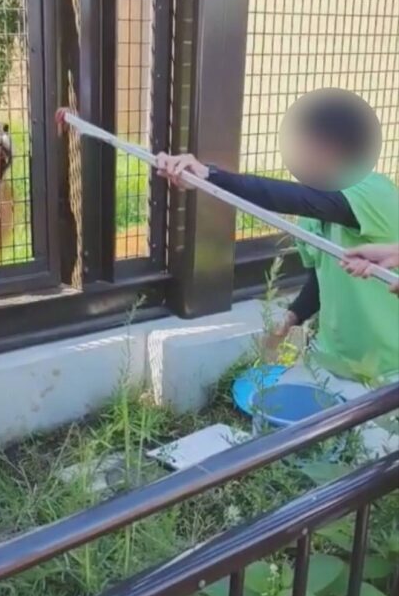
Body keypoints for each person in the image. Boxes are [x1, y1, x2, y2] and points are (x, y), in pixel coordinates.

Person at [157, 88, 399, 382]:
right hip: (331, 361)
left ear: (334, 149)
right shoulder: (313, 215)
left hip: (387, 369)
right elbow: (322, 276)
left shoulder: (374, 192)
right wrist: (292, 316)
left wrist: (209, 175)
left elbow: (293, 198)